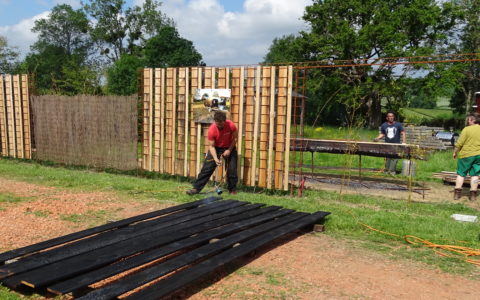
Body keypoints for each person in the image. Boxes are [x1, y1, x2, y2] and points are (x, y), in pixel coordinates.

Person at [186, 111, 238, 195]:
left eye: (221, 124)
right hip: (216, 148)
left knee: (232, 170)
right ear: (215, 121)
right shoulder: (212, 130)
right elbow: (212, 147)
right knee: (206, 168)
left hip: (229, 147)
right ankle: (196, 189)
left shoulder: (231, 125)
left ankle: (232, 190)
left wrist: (229, 150)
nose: (219, 126)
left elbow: (235, 138)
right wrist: (216, 159)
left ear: (225, 121)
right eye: (217, 124)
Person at [452, 113, 480, 201]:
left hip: (466, 155)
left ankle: (457, 194)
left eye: (469, 119)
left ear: (473, 120)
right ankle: (473, 194)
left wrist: (455, 152)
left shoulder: (466, 129)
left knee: (461, 174)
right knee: (475, 175)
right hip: (478, 155)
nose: (468, 121)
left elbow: (460, 143)